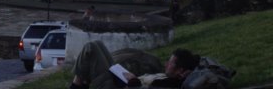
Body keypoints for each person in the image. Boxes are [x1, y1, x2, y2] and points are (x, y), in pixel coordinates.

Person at [70, 41, 199, 89]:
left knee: (90, 48)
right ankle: (81, 84)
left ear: (179, 70)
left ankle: (77, 85)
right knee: (98, 44)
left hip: (117, 86)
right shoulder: (168, 77)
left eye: (170, 64)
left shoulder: (169, 84)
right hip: (120, 80)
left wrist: (133, 81)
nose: (166, 64)